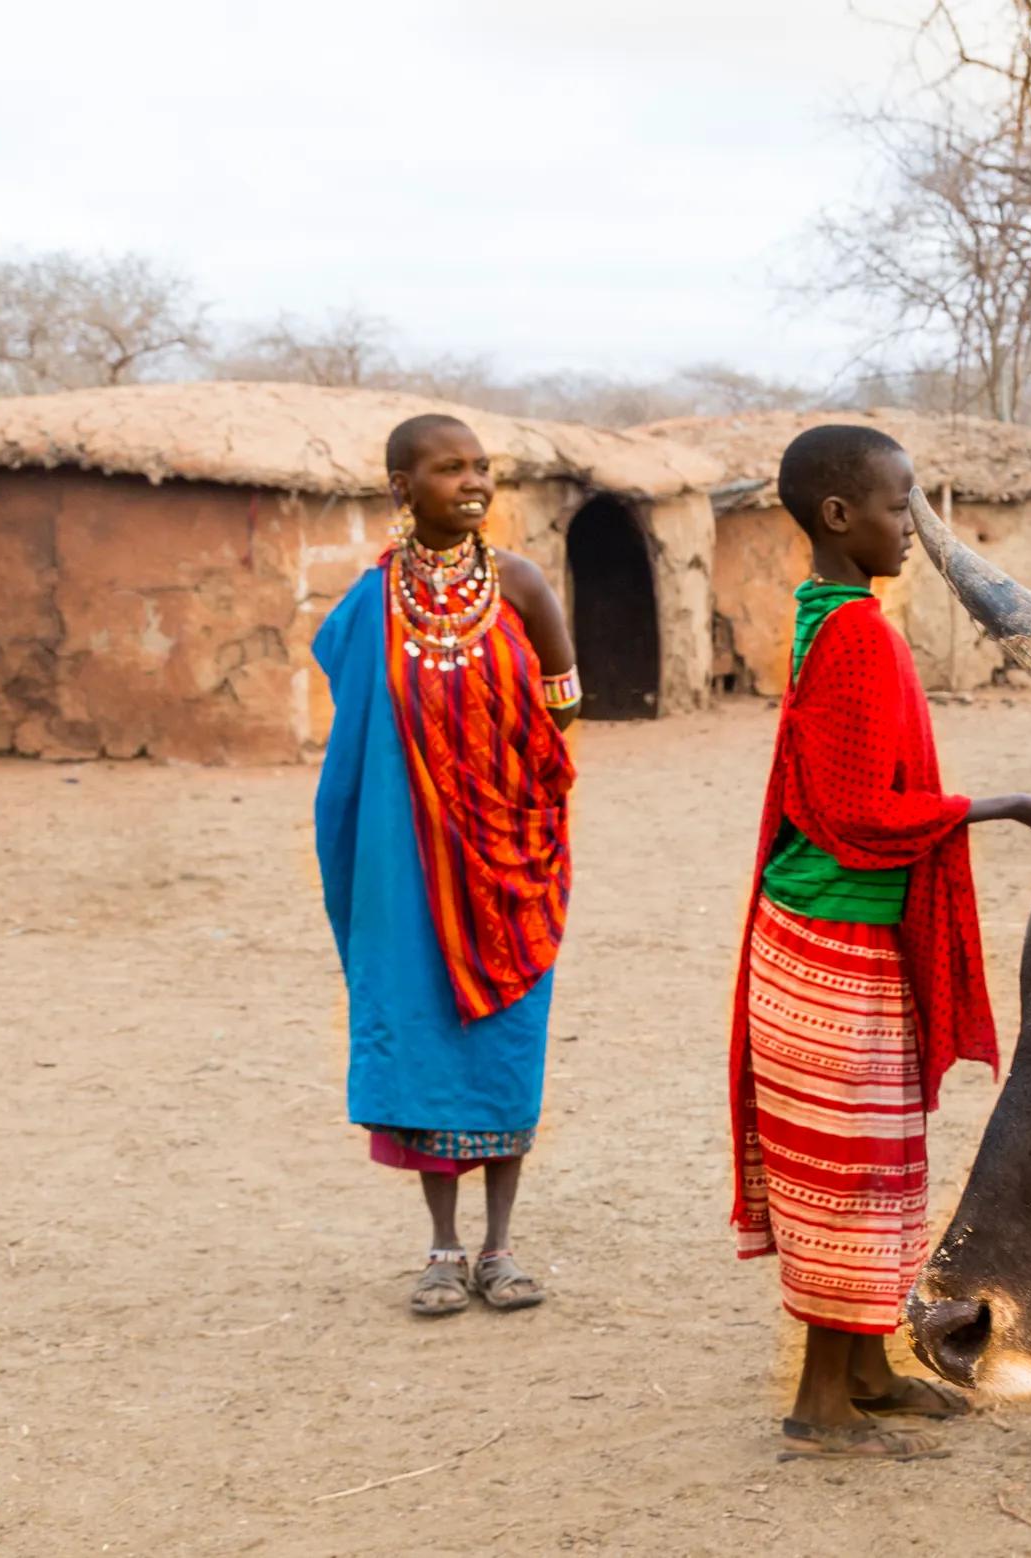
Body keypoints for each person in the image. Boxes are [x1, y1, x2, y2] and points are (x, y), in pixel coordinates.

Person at [729, 425, 1031, 1462]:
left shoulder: (835, 621)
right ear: (838, 515)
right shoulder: (853, 637)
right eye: (898, 506)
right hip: (830, 946)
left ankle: (867, 1369)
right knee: (847, 1176)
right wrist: (994, 804)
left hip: (836, 938)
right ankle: (819, 1404)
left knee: (876, 1166)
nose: (911, 530)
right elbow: (848, 810)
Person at [312, 414, 581, 1318]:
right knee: (422, 1029)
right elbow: (357, 729)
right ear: (401, 488)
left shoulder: (526, 587)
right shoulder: (370, 606)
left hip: (511, 857)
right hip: (408, 864)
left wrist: (490, 758)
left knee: (506, 1038)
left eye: (481, 468)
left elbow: (565, 705)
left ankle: (500, 1248)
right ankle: (441, 1247)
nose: (473, 483)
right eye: (448, 469)